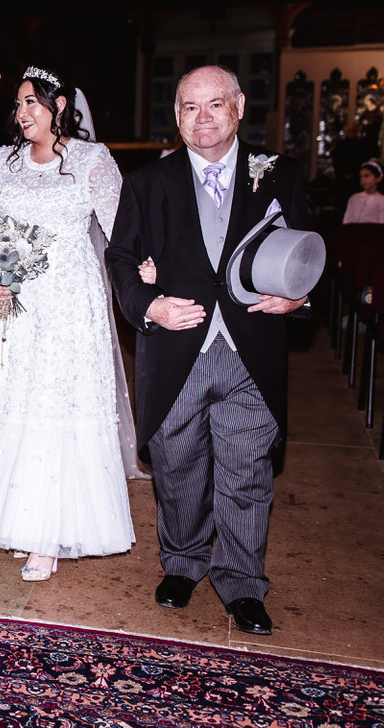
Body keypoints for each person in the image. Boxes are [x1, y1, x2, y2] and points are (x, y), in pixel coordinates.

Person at [106, 65, 312, 637]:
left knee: (247, 473)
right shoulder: (148, 182)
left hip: (252, 348)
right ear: (176, 116)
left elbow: (308, 253)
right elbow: (122, 259)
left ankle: (243, 583)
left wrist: (298, 297)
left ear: (239, 106)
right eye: (189, 108)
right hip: (178, 350)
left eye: (214, 105)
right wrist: (149, 305)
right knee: (176, 466)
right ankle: (184, 562)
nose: (202, 118)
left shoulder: (280, 174)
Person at [0, 66, 135, 582]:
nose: (23, 113)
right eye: (19, 104)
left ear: (61, 105)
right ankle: (13, 513)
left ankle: (46, 536)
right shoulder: (5, 162)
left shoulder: (94, 161)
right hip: (11, 304)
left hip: (69, 305)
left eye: (32, 102)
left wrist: (150, 270)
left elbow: (122, 233)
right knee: (14, 400)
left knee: (54, 402)